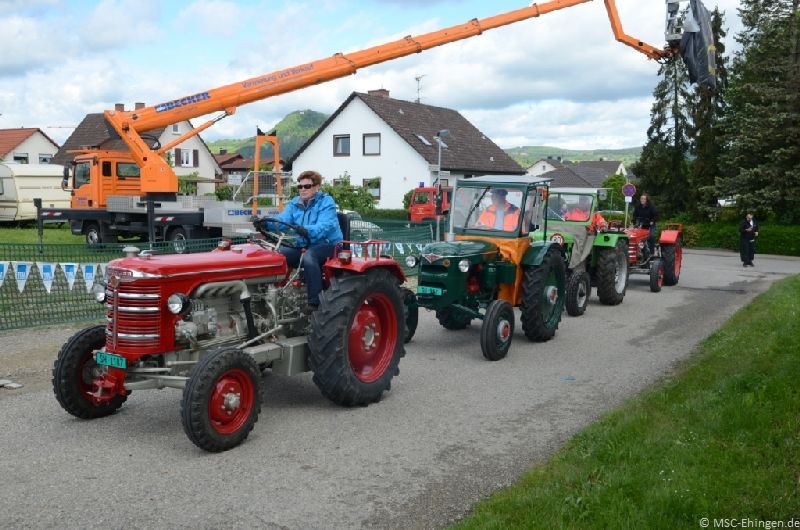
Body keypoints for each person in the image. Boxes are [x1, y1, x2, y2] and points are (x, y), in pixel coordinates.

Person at [262, 170, 343, 313]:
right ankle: (273, 294)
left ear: (317, 187)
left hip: (329, 245)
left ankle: (315, 303)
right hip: (305, 244)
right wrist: (265, 223)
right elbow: (283, 220)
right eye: (300, 186)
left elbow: (325, 226)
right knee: (279, 255)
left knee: (309, 257)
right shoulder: (295, 203)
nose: (302, 189)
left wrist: (306, 230)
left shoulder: (326, 202)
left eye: (307, 186)